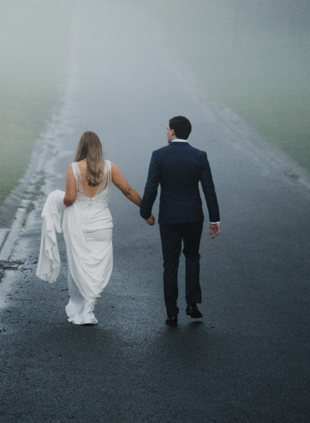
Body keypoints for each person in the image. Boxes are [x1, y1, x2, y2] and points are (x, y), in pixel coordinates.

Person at [36, 131, 142, 325]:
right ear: (99, 148)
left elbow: (69, 199)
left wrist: (55, 197)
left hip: (79, 226)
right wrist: (145, 209)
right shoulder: (110, 167)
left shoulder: (74, 168)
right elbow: (127, 190)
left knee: (79, 265)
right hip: (102, 224)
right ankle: (88, 308)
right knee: (97, 267)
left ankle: (83, 310)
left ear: (81, 147)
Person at [140, 115, 220, 326]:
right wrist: (215, 220)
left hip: (169, 217)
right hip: (194, 215)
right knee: (192, 257)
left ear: (173, 131)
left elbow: (151, 188)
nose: (166, 131)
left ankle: (171, 312)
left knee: (170, 263)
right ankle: (193, 304)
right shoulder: (199, 156)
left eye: (167, 128)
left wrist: (145, 212)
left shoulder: (159, 156)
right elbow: (209, 190)